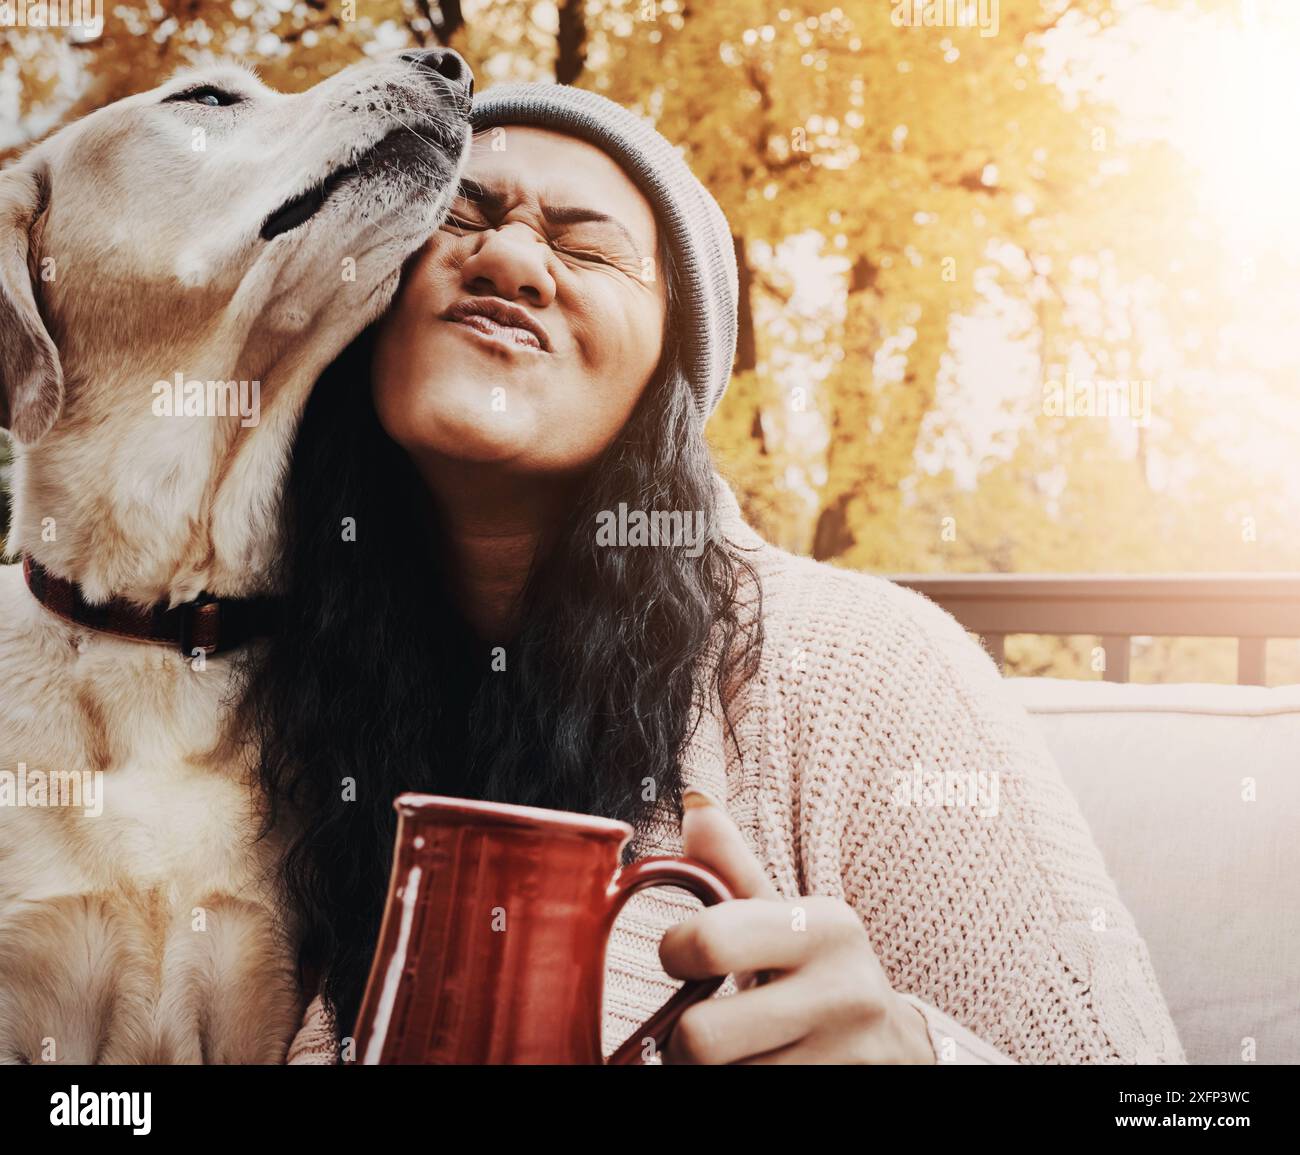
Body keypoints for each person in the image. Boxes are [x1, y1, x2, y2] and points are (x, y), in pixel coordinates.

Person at [244, 83, 1186, 1065]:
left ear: (668, 368)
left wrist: (917, 1056)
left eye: (584, 246)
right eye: (461, 217)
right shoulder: (247, 685)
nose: (510, 259)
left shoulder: (862, 672)